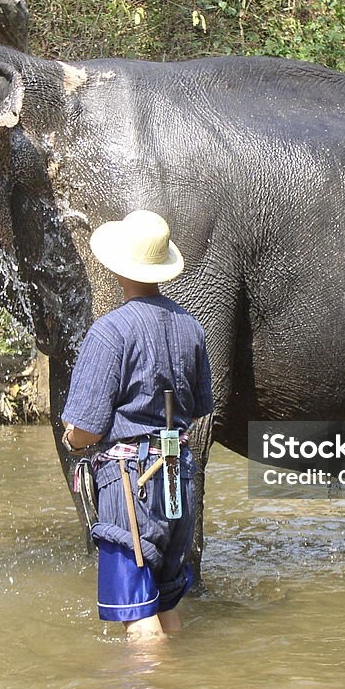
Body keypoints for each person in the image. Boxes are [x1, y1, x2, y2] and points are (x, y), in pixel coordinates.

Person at [61, 210, 214, 641]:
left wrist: (71, 437)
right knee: (166, 606)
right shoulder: (191, 327)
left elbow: (86, 431)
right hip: (178, 474)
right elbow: (199, 408)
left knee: (136, 616)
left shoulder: (109, 332)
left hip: (131, 485)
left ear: (117, 267)